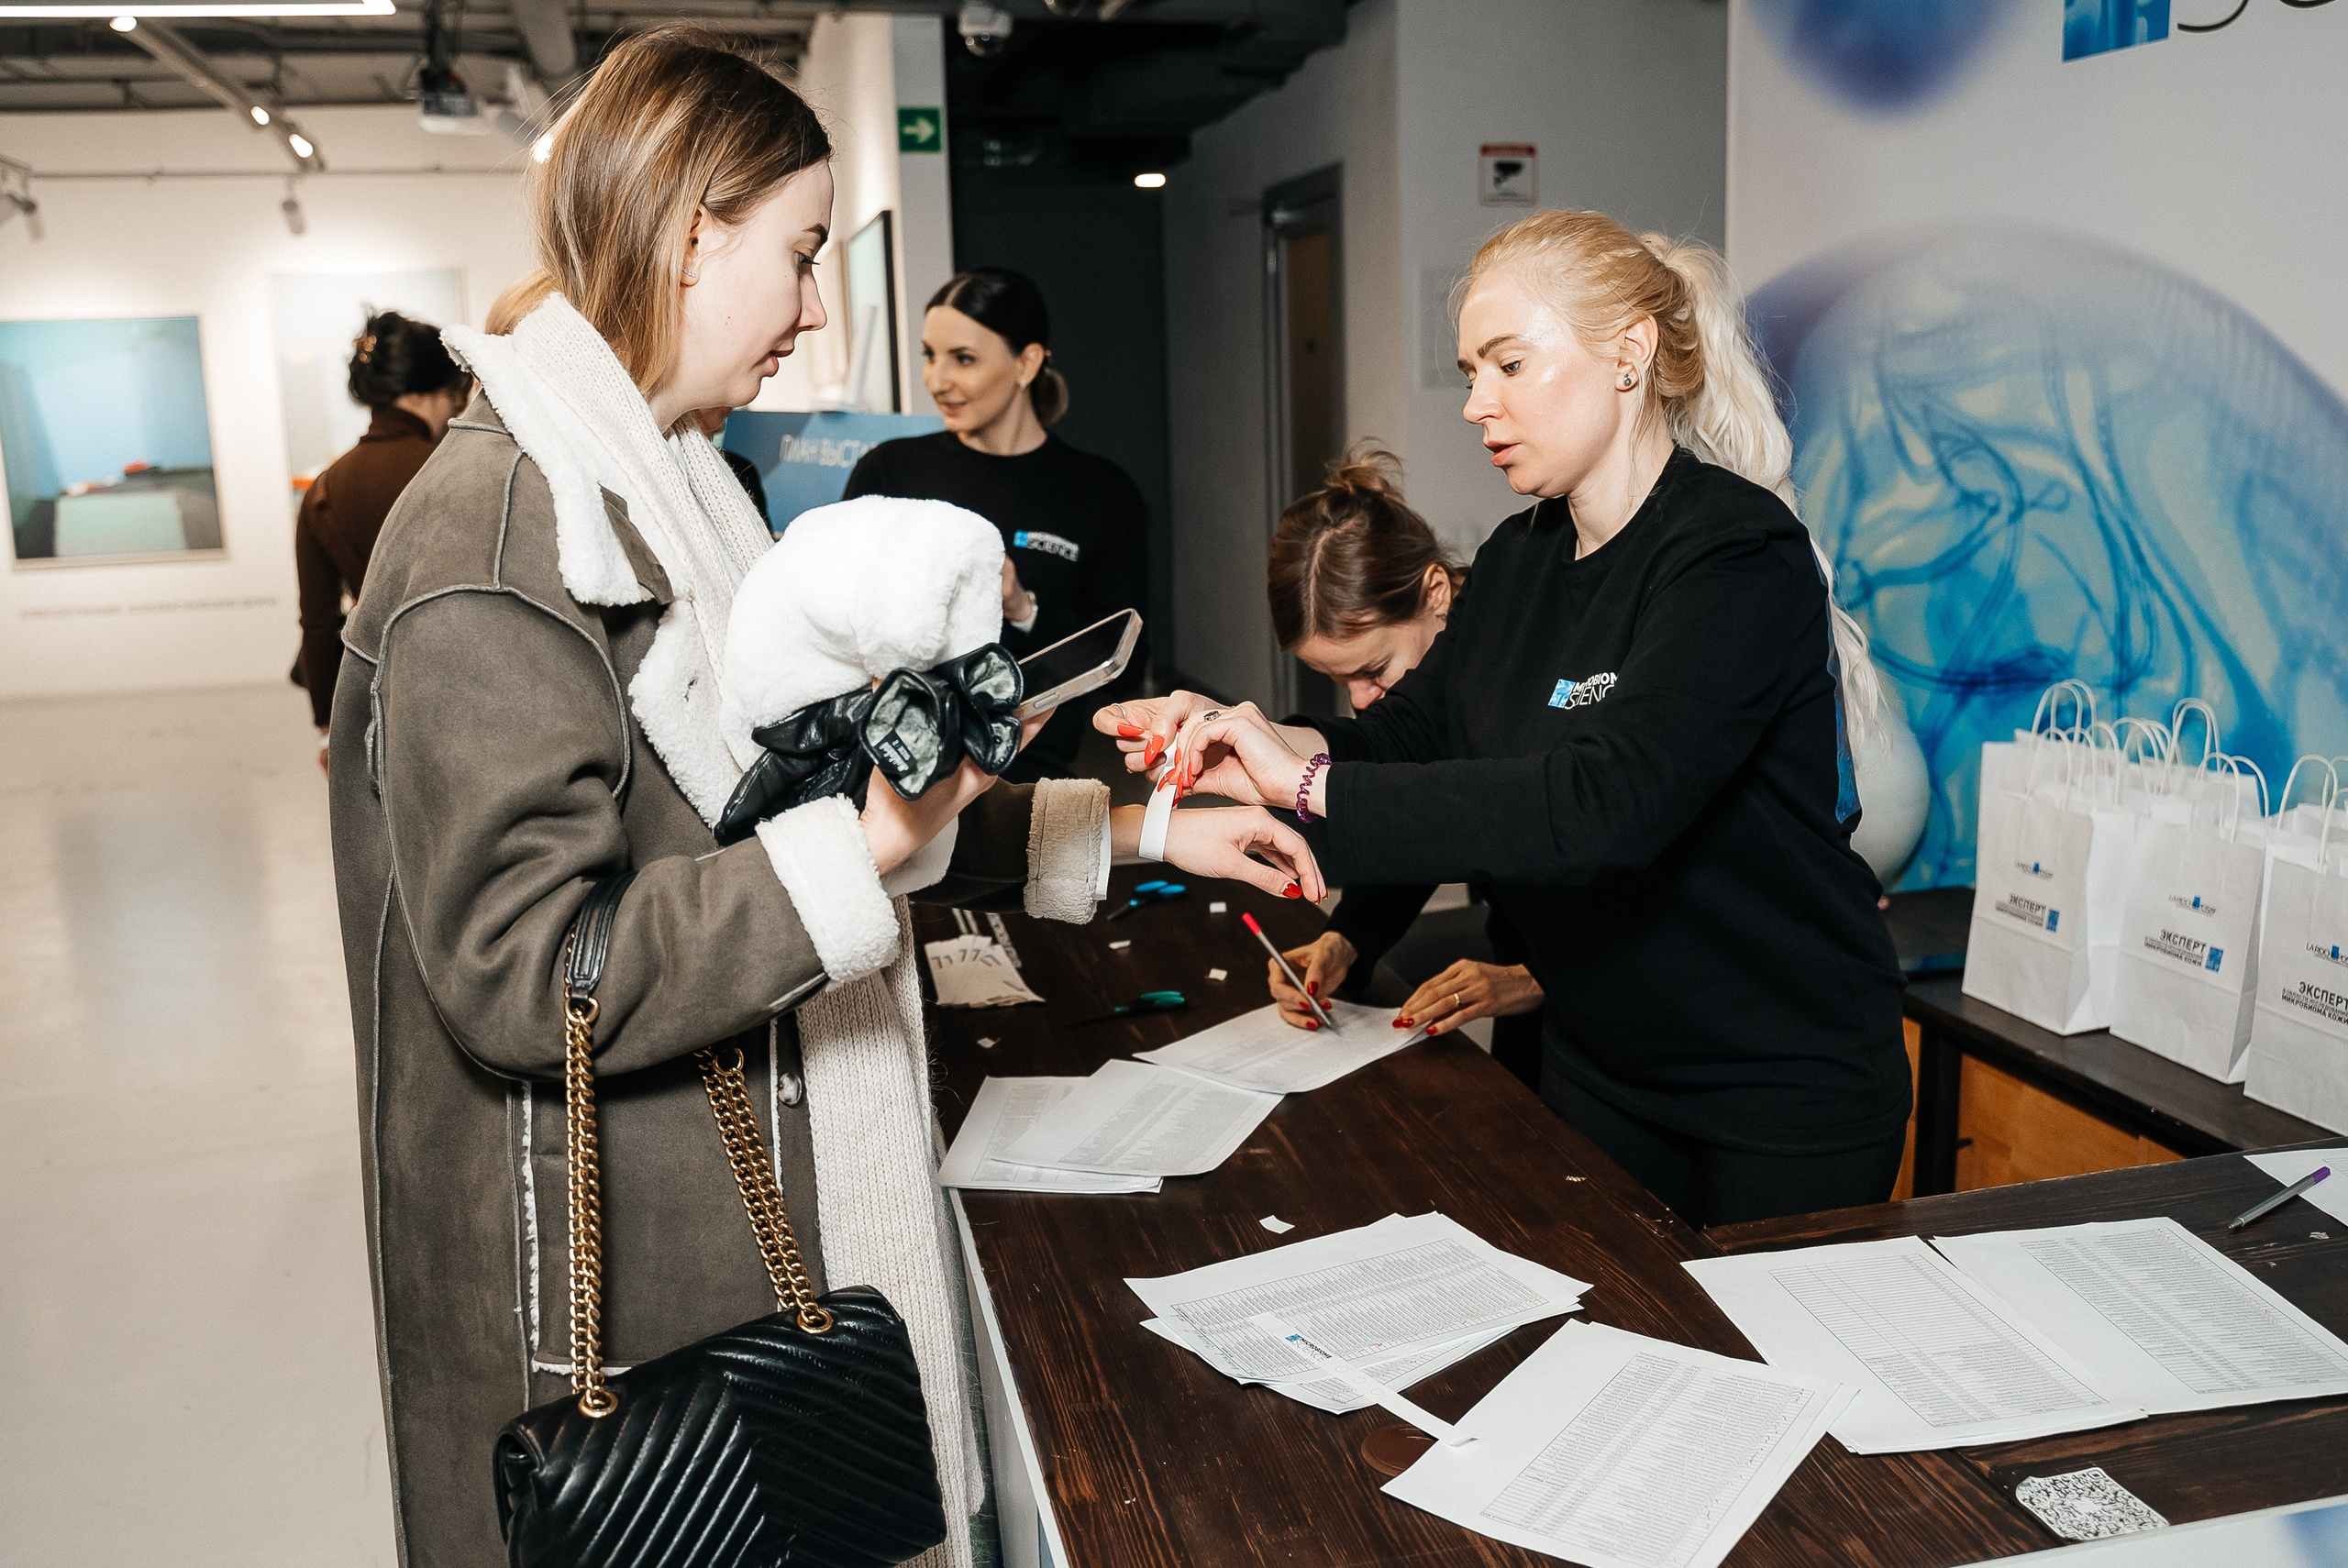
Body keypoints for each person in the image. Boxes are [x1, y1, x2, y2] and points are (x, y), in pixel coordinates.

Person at [324, 31, 1318, 1567]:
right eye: (796, 256)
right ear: (687, 226)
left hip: (731, 1219)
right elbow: (528, 974)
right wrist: (864, 843)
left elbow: (801, 806)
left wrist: (1144, 829)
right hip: (619, 1290)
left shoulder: (667, 492)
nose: (810, 309)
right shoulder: (513, 532)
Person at [1100, 210, 1910, 1231]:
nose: (1477, 405)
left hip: (1774, 1081)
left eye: (1509, 365)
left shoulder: (1734, 556)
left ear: (1628, 353)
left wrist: (1303, 787)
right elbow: (1406, 740)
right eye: (1471, 371)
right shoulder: (1524, 558)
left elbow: (1602, 804)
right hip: (1601, 1062)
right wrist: (1248, 741)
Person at [1261, 447, 1546, 1088]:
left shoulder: (1524, 671)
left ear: (1436, 593)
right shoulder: (1437, 676)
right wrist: (1347, 940)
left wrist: (1533, 979)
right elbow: (1423, 820)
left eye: (1373, 671)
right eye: (1340, 682)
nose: (1361, 701)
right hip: (1525, 949)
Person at [843, 268, 1150, 782]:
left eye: (963, 359)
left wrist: (1022, 606)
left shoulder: (1101, 492)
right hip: (899, 769)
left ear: (1026, 363)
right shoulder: (889, 471)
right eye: (930, 355)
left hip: (1033, 775)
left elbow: (1123, 668)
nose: (937, 381)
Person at [294, 310, 469, 767]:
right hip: (465, 693)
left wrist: (326, 732)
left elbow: (318, 623)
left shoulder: (324, 489)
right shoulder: (456, 471)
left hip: (374, 702)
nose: (457, 411)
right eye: (456, 397)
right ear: (434, 394)